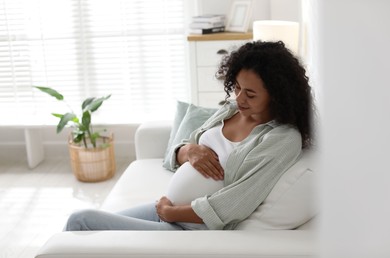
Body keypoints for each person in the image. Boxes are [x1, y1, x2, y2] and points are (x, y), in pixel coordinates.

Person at [65, 40, 314, 231]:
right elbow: (180, 149)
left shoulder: (281, 139)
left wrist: (172, 213)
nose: (239, 98)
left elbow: (237, 202)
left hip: (189, 226)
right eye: (236, 87)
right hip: (168, 210)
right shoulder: (229, 111)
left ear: (278, 95)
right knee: (80, 226)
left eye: (250, 94)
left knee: (81, 221)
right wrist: (189, 151)